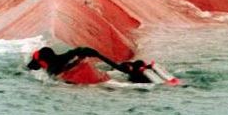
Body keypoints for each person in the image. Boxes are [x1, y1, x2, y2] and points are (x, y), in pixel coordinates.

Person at [27, 46, 176, 84]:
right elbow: (80, 50)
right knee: (119, 73)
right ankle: (140, 68)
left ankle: (138, 71)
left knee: (119, 81)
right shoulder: (66, 56)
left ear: (42, 62)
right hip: (107, 76)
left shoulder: (52, 72)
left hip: (99, 84)